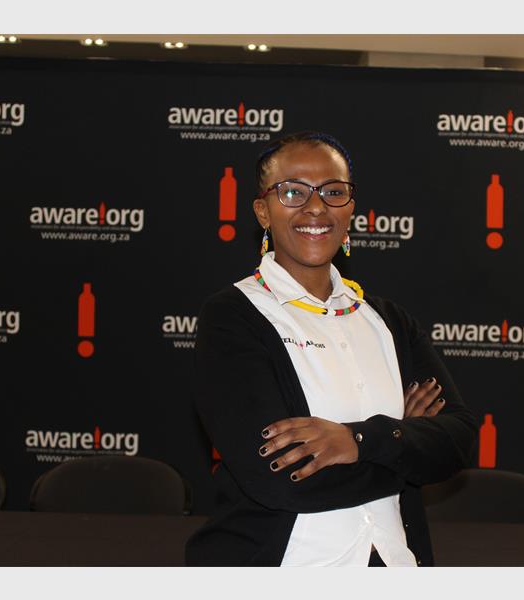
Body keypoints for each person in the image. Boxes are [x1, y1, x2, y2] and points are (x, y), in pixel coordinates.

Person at [185, 131, 478, 567]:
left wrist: (356, 440)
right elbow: (281, 480)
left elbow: (458, 440)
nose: (316, 207)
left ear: (351, 209)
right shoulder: (233, 317)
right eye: (293, 192)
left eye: (333, 192)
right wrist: (403, 440)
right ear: (263, 211)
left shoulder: (389, 321)